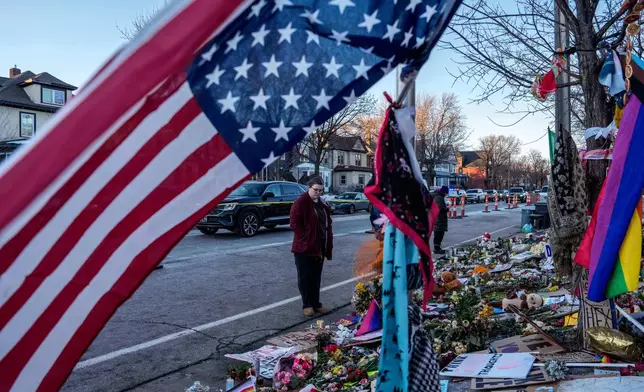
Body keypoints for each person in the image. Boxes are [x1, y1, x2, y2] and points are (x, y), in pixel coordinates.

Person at [290, 177, 334, 317]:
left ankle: (316, 303)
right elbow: (294, 223)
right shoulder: (301, 202)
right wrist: (306, 238)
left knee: (316, 277)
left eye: (321, 190)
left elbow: (327, 223)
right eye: (315, 190)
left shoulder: (322, 204)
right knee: (305, 277)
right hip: (304, 248)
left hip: (319, 247)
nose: (318, 193)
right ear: (309, 188)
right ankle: (307, 304)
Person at [433, 186, 449, 254]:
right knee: (438, 234)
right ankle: (436, 248)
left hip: (440, 219)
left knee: (440, 233)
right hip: (439, 219)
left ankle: (438, 247)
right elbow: (439, 209)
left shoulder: (440, 197)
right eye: (446, 193)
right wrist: (446, 209)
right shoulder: (439, 198)